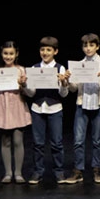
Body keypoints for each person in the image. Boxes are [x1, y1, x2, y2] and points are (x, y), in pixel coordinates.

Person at [21, 36, 70, 185]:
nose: (45, 52)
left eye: (49, 49)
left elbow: (64, 94)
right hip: (37, 108)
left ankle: (59, 171)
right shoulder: (34, 69)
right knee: (38, 143)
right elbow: (31, 93)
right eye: (42, 49)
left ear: (55, 51)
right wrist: (24, 86)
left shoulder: (60, 68)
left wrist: (63, 82)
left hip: (55, 108)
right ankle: (38, 171)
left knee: (56, 143)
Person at [67, 33, 100, 185]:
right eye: (85, 45)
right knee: (78, 140)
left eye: (91, 45)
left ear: (97, 46)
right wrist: (67, 80)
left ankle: (97, 168)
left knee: (97, 140)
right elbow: (73, 89)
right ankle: (78, 170)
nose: (88, 48)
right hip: (81, 104)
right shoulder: (79, 65)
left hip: (98, 104)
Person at [0, 40, 31, 184]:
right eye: (5, 53)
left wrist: (23, 84)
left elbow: (29, 92)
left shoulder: (21, 70)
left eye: (11, 53)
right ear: (1, 54)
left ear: (16, 54)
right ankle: (8, 173)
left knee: (18, 140)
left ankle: (18, 173)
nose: (8, 56)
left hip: (17, 106)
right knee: (5, 141)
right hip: (2, 107)